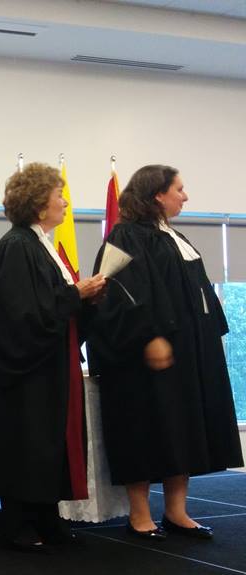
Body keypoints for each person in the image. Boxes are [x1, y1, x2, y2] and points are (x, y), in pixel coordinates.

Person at [88, 165, 242, 539]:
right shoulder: (125, 236)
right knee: (144, 428)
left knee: (183, 427)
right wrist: (150, 337)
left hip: (187, 352)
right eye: (180, 189)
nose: (185, 196)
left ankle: (177, 511)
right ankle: (140, 515)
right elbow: (121, 293)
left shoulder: (173, 235)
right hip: (145, 356)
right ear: (158, 194)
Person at [0, 163, 106, 550]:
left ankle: (46, 516)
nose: (64, 203)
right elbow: (24, 314)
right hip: (23, 370)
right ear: (37, 203)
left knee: (48, 440)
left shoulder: (40, 246)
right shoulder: (18, 247)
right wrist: (74, 295)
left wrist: (88, 301)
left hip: (48, 363)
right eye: (58, 196)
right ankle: (18, 522)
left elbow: (54, 307)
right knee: (27, 440)